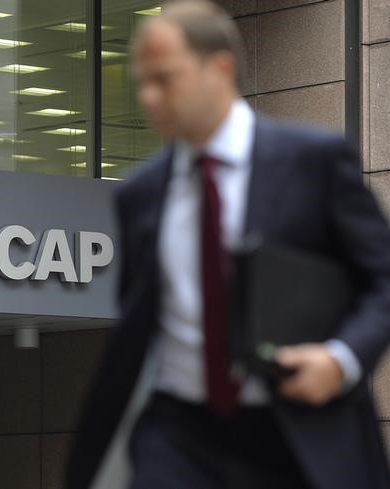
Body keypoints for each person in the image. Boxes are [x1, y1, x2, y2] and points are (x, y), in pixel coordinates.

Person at [66, 1, 390, 489]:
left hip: (295, 432)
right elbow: (136, 322)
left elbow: (383, 279)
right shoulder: (139, 193)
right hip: (178, 436)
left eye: (165, 79)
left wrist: (341, 360)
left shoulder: (313, 162)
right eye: (142, 83)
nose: (149, 97)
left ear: (220, 67)